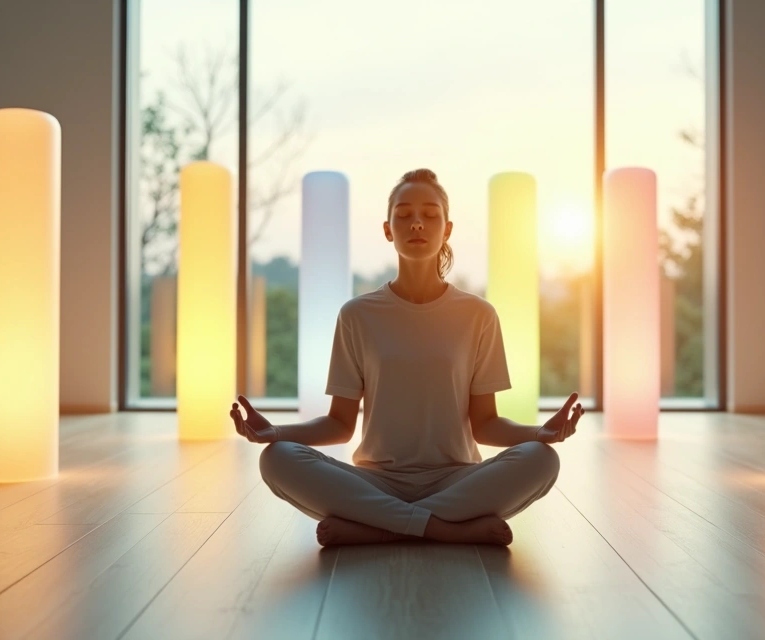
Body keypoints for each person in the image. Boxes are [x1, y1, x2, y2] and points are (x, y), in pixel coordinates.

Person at [230, 168, 583, 547]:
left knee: (542, 460)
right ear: (388, 229)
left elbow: (485, 424)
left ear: (447, 229)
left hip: (457, 478)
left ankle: (379, 527)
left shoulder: (478, 315)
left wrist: (539, 433)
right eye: (404, 214)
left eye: (430, 215)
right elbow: (339, 424)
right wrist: (276, 433)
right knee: (276, 459)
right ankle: (443, 529)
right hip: (376, 481)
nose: (417, 223)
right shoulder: (357, 315)